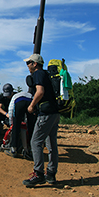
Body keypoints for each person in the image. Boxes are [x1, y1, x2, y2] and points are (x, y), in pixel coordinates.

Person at [22, 54, 60, 187]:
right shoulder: (47, 74)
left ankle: (38, 174)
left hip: (46, 113)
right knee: (51, 144)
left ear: (35, 64)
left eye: (29, 63)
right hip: (55, 113)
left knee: (35, 141)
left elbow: (40, 92)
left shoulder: (38, 74)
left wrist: (31, 106)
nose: (27, 65)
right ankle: (51, 173)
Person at [6, 76, 37, 159]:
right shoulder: (29, 94)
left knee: (16, 126)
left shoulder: (15, 96)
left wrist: (11, 123)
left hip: (19, 103)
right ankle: (30, 149)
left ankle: (14, 149)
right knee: (31, 126)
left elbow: (11, 110)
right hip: (30, 102)